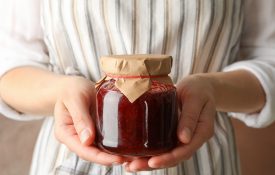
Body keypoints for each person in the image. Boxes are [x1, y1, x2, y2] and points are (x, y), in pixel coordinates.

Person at [0, 0, 274, 174]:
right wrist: (62, 91)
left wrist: (213, 89)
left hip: (205, 161)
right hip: (70, 159)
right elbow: (10, 65)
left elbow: (269, 59)